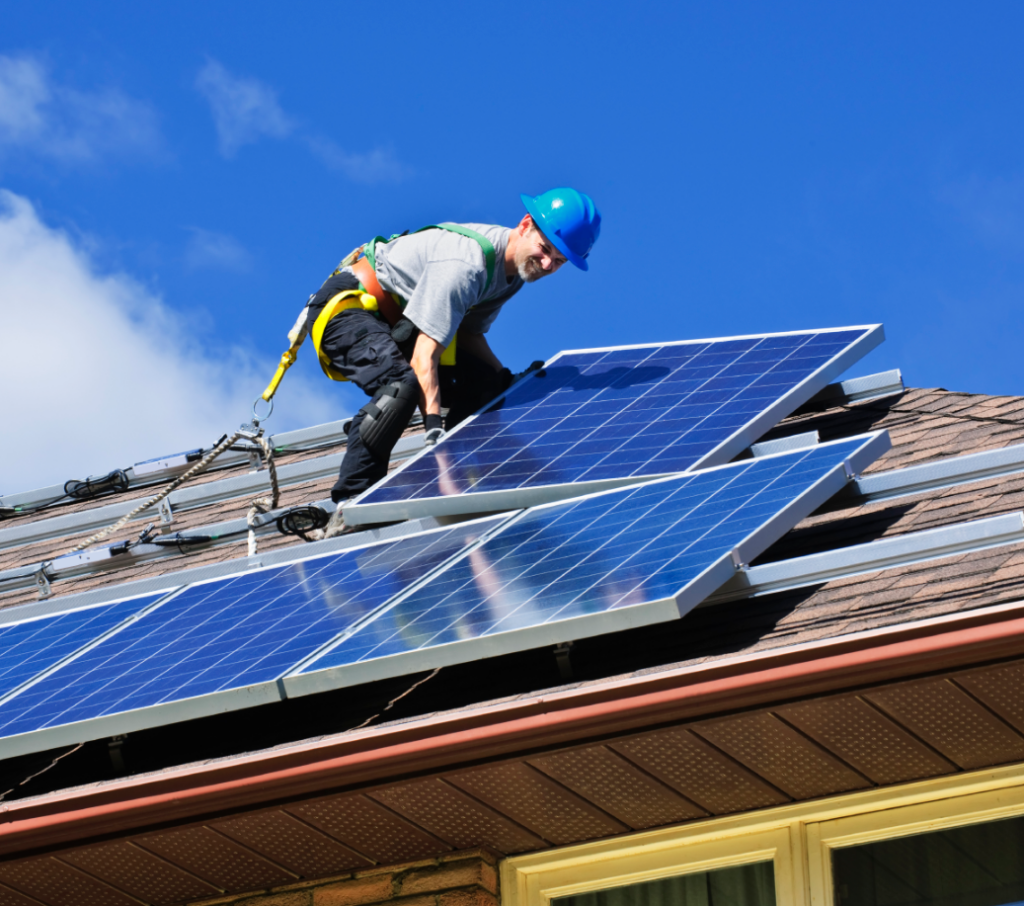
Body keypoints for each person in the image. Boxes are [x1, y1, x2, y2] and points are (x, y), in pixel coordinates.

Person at [297, 187, 601, 531]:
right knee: (402, 385)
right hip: (348, 308)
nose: (546, 265)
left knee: (490, 385)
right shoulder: (466, 265)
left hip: (399, 323)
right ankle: (352, 505)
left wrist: (504, 378)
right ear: (526, 224)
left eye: (558, 261)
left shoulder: (512, 275)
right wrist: (433, 433)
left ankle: (467, 476)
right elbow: (424, 358)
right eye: (545, 250)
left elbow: (469, 334)